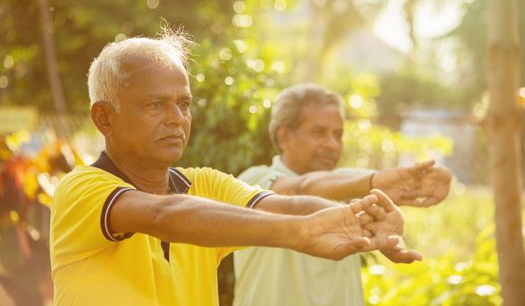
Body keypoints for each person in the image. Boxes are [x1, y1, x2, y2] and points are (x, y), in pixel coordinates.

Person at [49, 30, 420, 306]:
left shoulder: (205, 184)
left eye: (184, 103)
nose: (176, 118)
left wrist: (357, 220)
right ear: (104, 118)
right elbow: (164, 215)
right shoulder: (82, 189)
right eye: (155, 105)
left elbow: (288, 204)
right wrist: (300, 233)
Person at [233, 83, 452, 306]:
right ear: (284, 138)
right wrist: (374, 182)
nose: (332, 144)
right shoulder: (254, 182)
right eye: (319, 132)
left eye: (338, 135)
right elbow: (302, 188)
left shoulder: (350, 185)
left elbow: (341, 183)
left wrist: (427, 179)